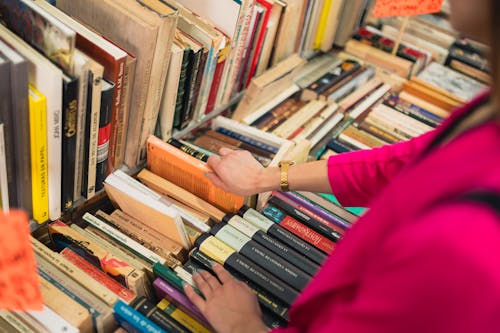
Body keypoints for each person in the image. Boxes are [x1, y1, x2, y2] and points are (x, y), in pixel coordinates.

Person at [183, 0, 500, 331]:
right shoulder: (488, 110)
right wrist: (268, 177)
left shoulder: (463, 252)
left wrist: (244, 326)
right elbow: (400, 164)